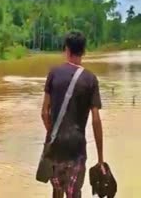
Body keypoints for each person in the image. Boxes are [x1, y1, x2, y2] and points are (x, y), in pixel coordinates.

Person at [41, 31, 105, 198]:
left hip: (56, 146)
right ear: (83, 52)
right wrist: (100, 159)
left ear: (66, 49)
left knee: (57, 191)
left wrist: (54, 132)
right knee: (74, 193)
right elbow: (96, 121)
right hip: (76, 148)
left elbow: (44, 113)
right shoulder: (91, 79)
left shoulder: (54, 73)